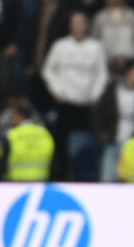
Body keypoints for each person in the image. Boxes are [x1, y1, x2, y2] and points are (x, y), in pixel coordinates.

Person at [42, 11, 108, 180]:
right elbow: (48, 70)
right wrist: (58, 91)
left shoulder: (96, 47)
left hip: (87, 103)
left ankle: (86, 177)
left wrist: (95, 94)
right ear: (70, 25)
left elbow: (102, 74)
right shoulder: (60, 46)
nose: (78, 26)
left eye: (82, 22)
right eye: (75, 22)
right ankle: (61, 176)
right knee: (61, 144)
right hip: (66, 102)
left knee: (88, 144)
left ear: (87, 25)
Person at [95, 59, 134, 182]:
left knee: (131, 182)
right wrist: (102, 134)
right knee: (107, 180)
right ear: (129, 72)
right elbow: (100, 113)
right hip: (113, 141)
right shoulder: (112, 89)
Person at [0, 103, 54, 182]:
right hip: (42, 184)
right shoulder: (45, 134)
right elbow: (54, 162)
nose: (11, 119)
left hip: (14, 185)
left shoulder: (10, 135)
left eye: (13, 116)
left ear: (19, 116)